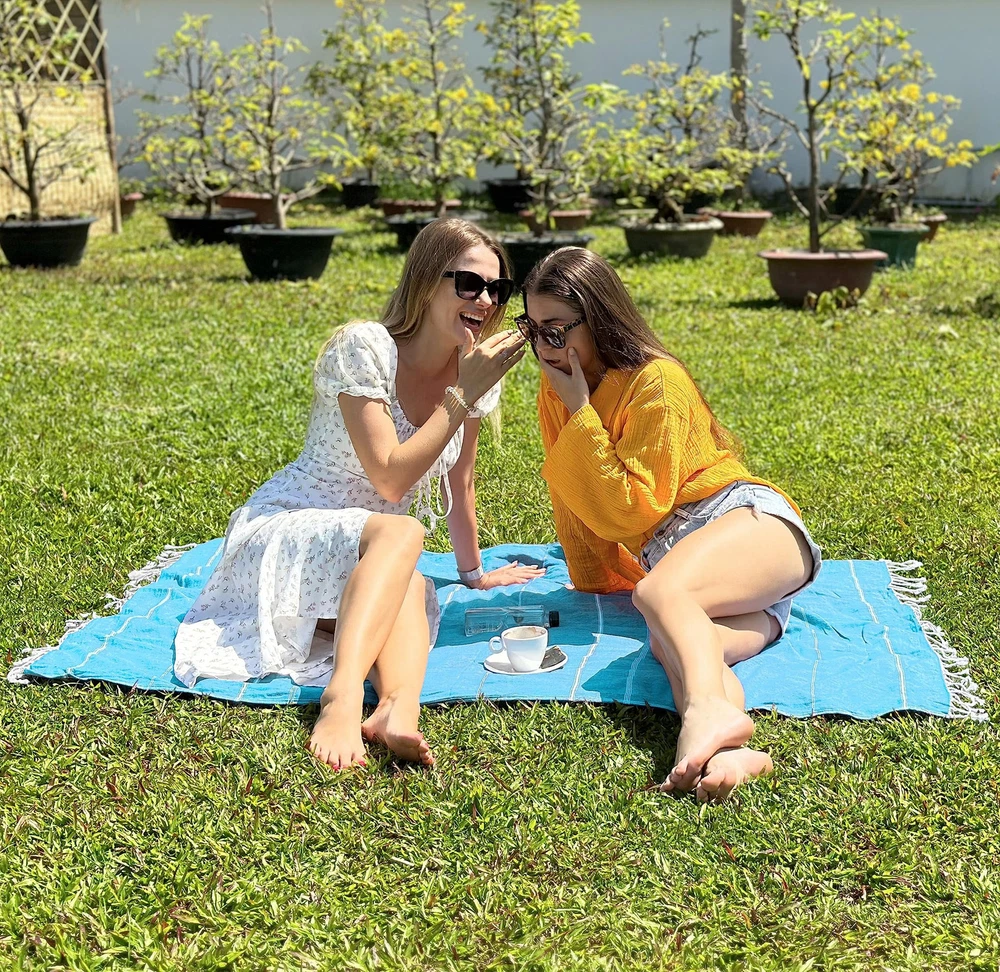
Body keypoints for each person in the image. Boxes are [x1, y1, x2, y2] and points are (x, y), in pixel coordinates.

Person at [175, 219, 542, 771]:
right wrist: (463, 392)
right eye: (469, 283)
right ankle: (342, 696)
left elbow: (459, 481)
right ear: (426, 281)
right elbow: (390, 479)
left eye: (498, 288)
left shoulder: (473, 372)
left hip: (375, 555)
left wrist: (474, 574)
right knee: (404, 534)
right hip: (292, 529)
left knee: (412, 583)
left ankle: (398, 709)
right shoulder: (365, 348)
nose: (485, 300)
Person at [522, 248, 822, 802]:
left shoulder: (656, 380)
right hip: (697, 573)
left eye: (556, 330)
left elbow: (634, 507)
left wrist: (580, 411)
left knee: (657, 596)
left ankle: (704, 712)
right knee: (678, 646)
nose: (543, 346)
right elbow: (573, 492)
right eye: (532, 329)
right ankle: (729, 754)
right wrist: (592, 576)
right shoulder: (558, 385)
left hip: (742, 520)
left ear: (598, 318)